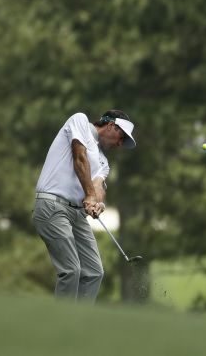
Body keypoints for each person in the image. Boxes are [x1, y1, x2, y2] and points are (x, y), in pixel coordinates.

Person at [33, 109, 136, 302]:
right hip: (52, 206)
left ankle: (78, 323)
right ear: (111, 126)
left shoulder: (103, 161)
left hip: (76, 215)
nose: (120, 144)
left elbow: (97, 187)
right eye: (121, 138)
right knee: (71, 270)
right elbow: (79, 158)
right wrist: (89, 194)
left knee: (94, 272)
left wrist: (98, 203)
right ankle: (60, 325)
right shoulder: (79, 121)